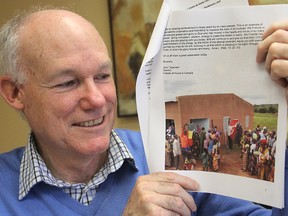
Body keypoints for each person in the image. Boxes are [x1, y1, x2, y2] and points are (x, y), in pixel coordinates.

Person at [0, 6, 287, 216]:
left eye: (102, 76)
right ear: (15, 92)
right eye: (68, 82)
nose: (97, 100)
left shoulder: (160, 157)